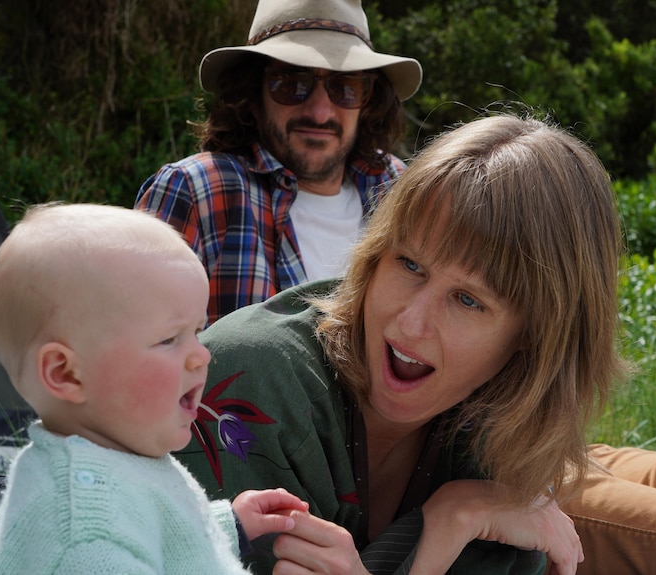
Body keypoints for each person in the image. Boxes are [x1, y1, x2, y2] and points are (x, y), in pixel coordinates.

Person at [175, 113, 624, 574]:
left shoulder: (505, 433)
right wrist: (446, 525)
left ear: (534, 337)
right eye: (409, 265)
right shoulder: (253, 384)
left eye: (467, 300)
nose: (410, 324)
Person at [0, 203, 308, 574]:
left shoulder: (109, 459)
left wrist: (227, 524)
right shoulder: (88, 536)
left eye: (196, 332)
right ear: (67, 374)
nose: (201, 356)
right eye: (168, 339)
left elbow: (151, 529)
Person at [135, 0, 421, 324]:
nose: (320, 112)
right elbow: (133, 343)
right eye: (291, 84)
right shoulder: (196, 191)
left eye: (345, 87)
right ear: (252, 94)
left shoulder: (398, 189)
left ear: (368, 101)